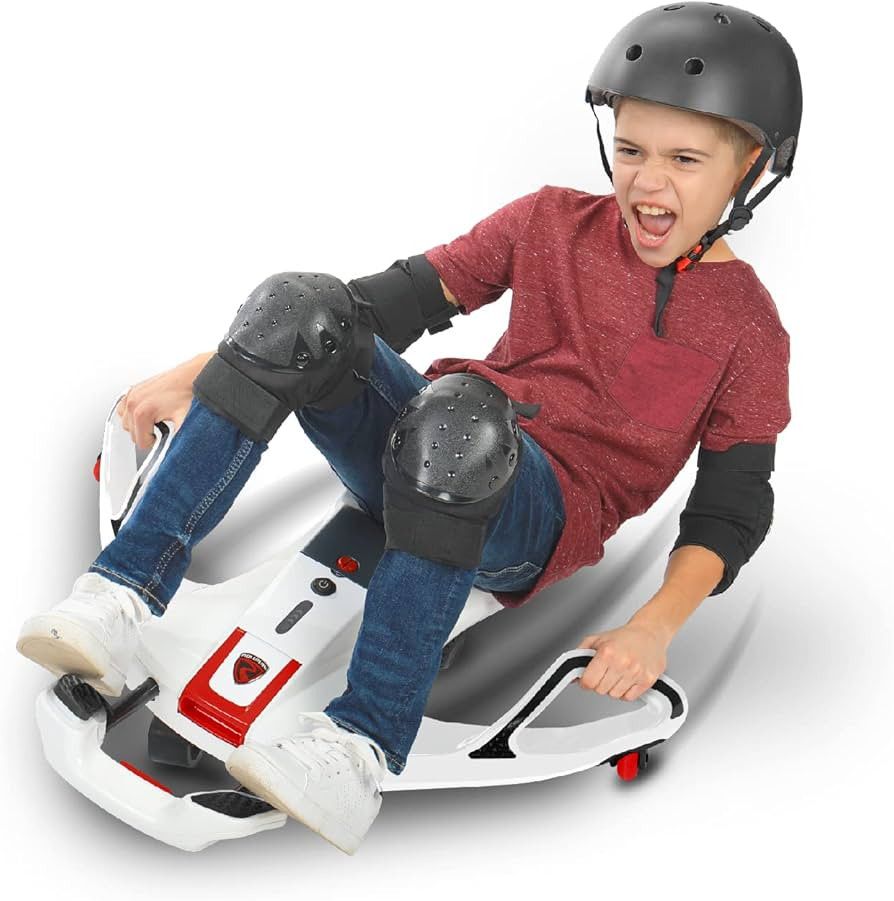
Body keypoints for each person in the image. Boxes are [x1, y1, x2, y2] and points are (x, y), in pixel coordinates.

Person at [16, 2, 801, 855]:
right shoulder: (549, 219)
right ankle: (121, 594)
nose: (647, 183)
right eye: (632, 150)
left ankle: (357, 747)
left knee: (459, 421)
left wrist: (655, 624)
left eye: (685, 160)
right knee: (300, 301)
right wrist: (206, 371)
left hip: (536, 510)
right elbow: (381, 306)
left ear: (750, 165)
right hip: (431, 439)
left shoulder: (749, 329)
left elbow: (730, 508)